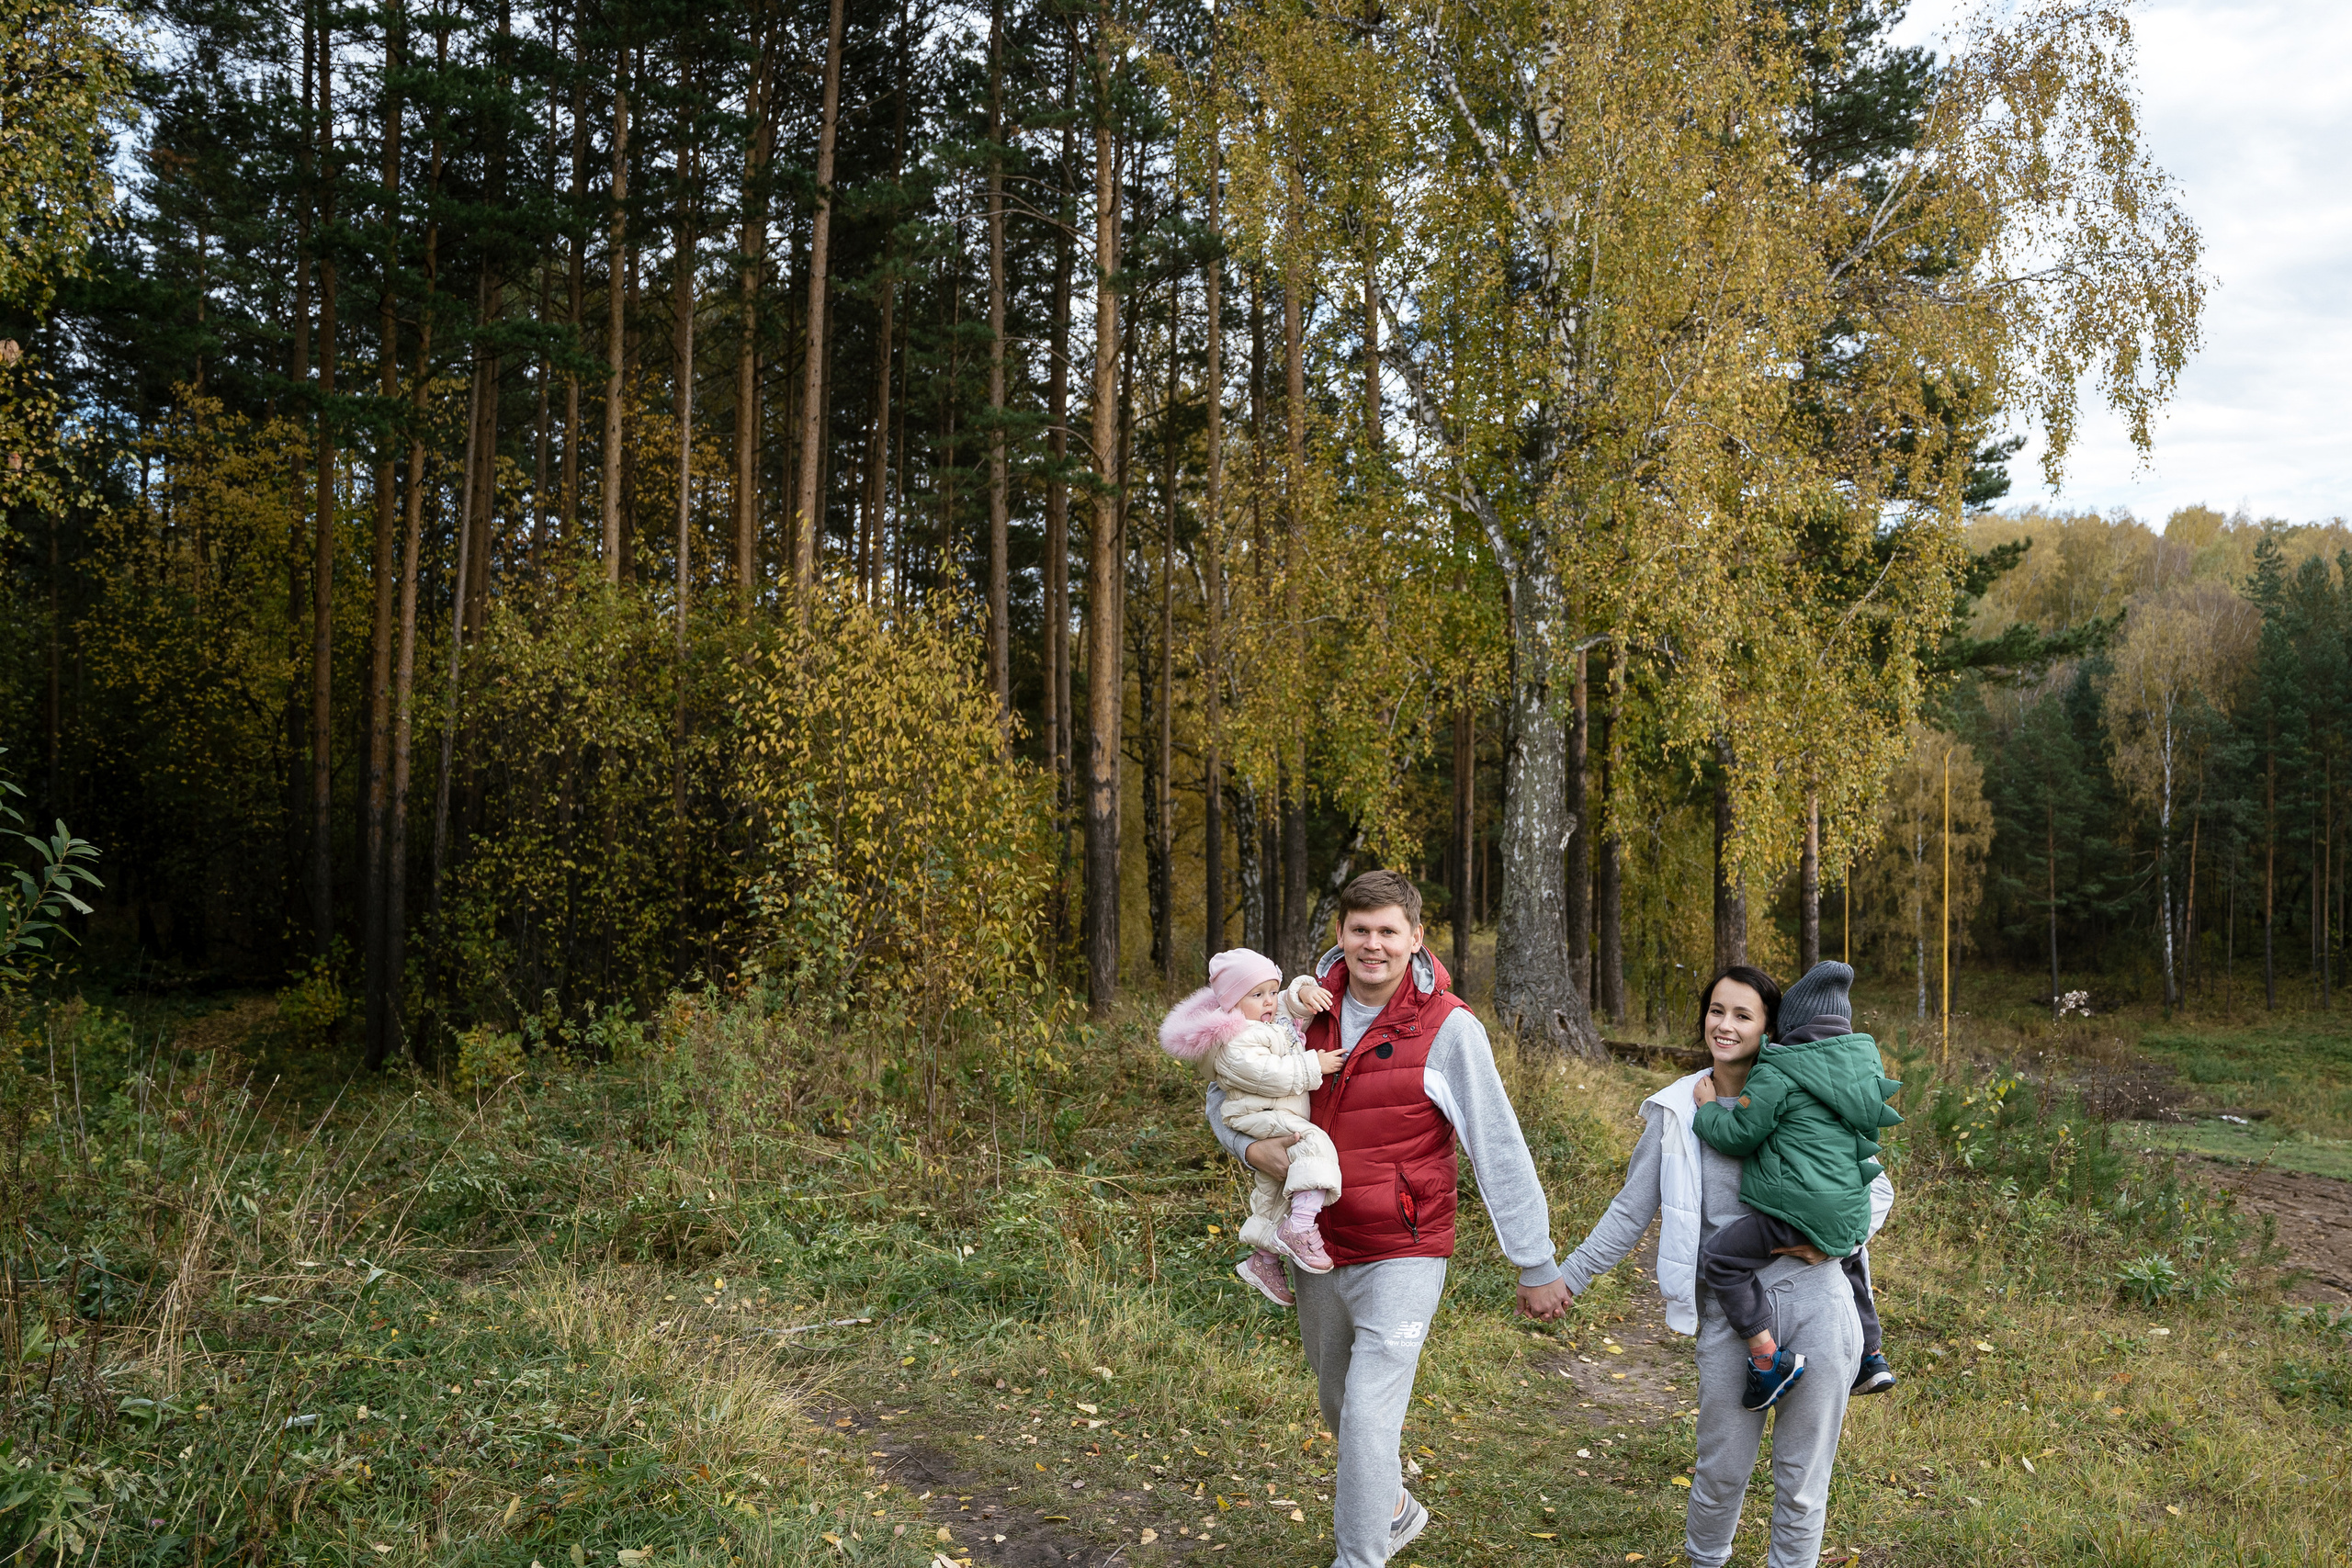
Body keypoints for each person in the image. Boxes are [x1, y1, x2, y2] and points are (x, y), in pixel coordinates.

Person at [1204, 870, 1566, 1568]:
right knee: (1341, 1404)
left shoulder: (1449, 1028)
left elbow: (1497, 1142)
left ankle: (1359, 1556)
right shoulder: (1300, 1013)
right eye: (1360, 929)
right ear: (1339, 934)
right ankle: (1393, 1506)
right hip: (1318, 1243)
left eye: (1388, 930)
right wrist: (1250, 1146)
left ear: (1415, 938)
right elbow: (1226, 1091)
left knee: (1370, 1416)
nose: (1373, 944)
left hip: (1405, 1247)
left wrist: (1535, 1258)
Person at [1556, 965, 1894, 1568]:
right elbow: (1629, 1210)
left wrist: (1829, 1241)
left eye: (1743, 1014)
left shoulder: (1813, 1095)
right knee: (1721, 1473)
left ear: (1771, 1029)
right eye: (1717, 1010)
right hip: (1730, 1319)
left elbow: (1878, 1192)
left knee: (1802, 1481)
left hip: (1822, 1305)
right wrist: (1568, 1276)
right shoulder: (1678, 1111)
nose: (1726, 1024)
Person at [1690, 960, 1900, 1407]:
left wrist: (1709, 1108)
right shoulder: (1857, 1077)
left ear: (1783, 1026)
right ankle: (1872, 1355)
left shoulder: (1778, 1069)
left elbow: (1740, 1136)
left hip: (1794, 1213)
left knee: (1722, 1260)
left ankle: (1766, 1357)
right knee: (1851, 1256)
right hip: (1849, 1210)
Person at [1160, 947, 1340, 1299]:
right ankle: (1300, 1228)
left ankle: (1262, 1260)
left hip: (1274, 1113)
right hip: (1257, 1114)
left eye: (1272, 991)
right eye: (1258, 995)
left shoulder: (1263, 1019)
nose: (1269, 1001)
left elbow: (1291, 1009)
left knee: (1274, 1191)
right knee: (1315, 1145)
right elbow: (1267, 1075)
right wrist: (1312, 1065)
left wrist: (1302, 991)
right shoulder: (1236, 1040)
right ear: (1231, 1003)